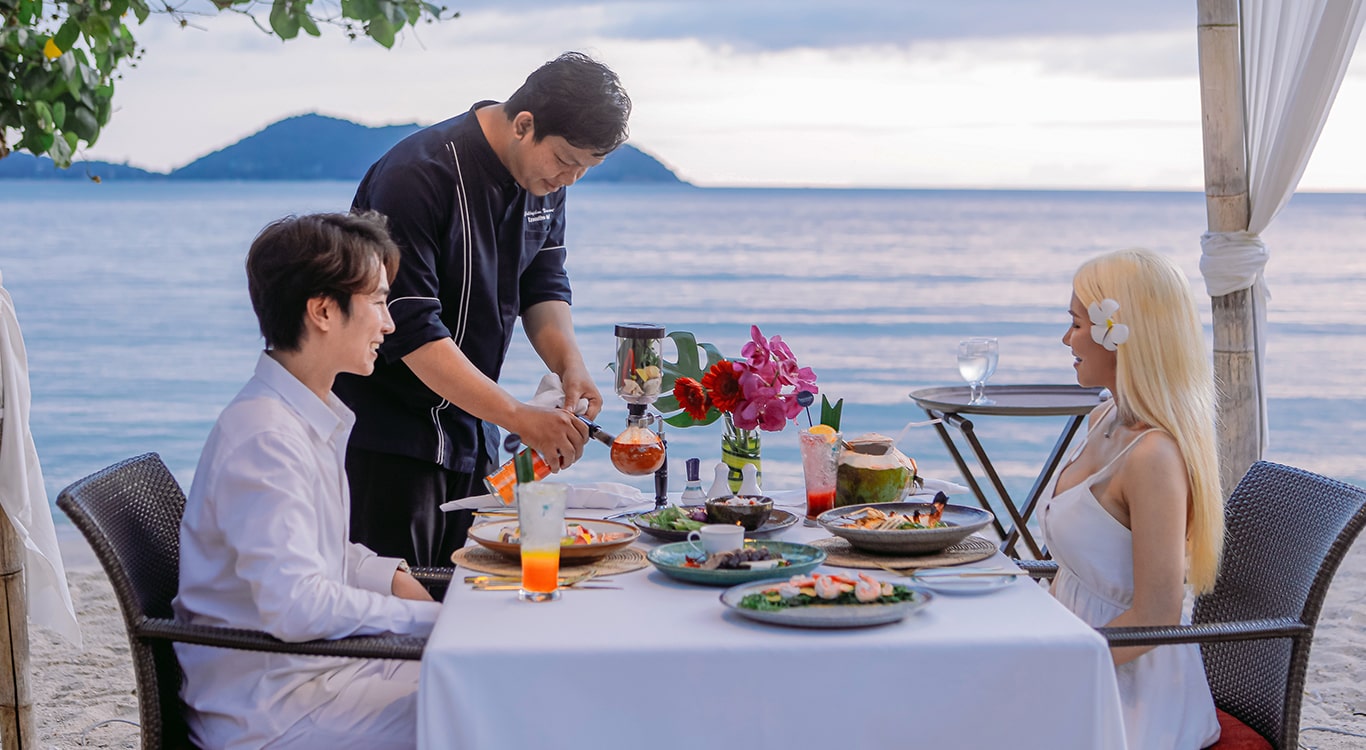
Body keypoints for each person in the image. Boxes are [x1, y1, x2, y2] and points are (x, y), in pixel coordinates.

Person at [334, 51, 632, 566]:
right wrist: (519, 415)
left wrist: (570, 365)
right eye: (565, 161)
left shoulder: (544, 179)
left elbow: (543, 280)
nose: (570, 180)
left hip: (473, 433)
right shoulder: (415, 176)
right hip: (387, 442)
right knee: (403, 611)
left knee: (475, 592)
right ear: (524, 124)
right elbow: (410, 325)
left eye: (586, 169)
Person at [174, 212, 441, 750]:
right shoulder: (265, 437)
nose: (389, 324)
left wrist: (390, 578)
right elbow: (296, 603)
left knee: (495, 687)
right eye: (379, 302)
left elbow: (314, 551)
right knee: (495, 709)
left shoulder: (299, 415)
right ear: (322, 310)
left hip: (320, 676)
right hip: (275, 712)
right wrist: (425, 621)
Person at [1038, 247, 1224, 749]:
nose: (1066, 339)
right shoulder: (1105, 417)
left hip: (1129, 689)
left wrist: (1059, 667)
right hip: (1079, 654)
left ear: (1120, 335)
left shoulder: (1154, 458)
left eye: (1076, 324)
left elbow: (1155, 617)